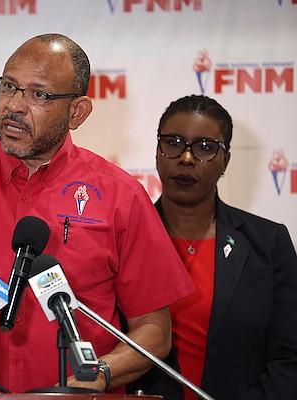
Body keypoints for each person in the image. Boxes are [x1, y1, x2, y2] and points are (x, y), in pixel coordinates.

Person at [0, 33, 194, 395]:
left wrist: (97, 375)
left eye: (39, 94)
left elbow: (153, 329)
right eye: (9, 86)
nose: (15, 105)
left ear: (77, 112)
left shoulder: (121, 195)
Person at [132, 94, 297, 399]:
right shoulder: (126, 238)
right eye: (173, 143)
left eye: (205, 148)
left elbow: (289, 357)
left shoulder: (268, 243)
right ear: (157, 152)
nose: (186, 158)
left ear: (226, 161)